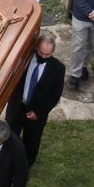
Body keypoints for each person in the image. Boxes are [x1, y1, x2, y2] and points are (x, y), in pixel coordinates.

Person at [5, 31, 65, 167]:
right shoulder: (24, 58)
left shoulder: (58, 68)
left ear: (53, 51)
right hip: (17, 107)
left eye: (47, 54)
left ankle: (24, 167)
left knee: (31, 143)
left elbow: (55, 96)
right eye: (41, 52)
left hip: (36, 113)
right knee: (10, 137)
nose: (43, 56)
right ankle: (8, 162)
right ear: (36, 47)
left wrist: (39, 112)